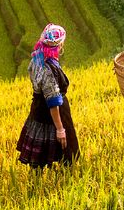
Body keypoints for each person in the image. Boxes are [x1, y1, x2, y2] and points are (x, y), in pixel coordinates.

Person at [16, 23, 79, 168]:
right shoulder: (48, 69)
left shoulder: (36, 59)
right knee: (68, 153)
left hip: (38, 109)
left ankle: (39, 180)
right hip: (52, 112)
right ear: (59, 45)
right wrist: (60, 129)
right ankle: (65, 180)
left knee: (39, 155)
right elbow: (53, 101)